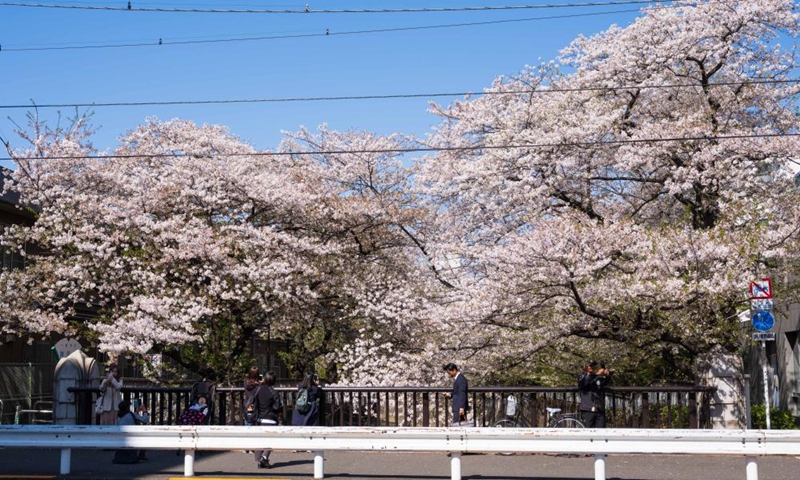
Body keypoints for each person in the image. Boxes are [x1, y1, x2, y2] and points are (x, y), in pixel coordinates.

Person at [253, 371, 282, 469]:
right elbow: (277, 407)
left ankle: (259, 457)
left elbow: (253, 403)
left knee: (260, 439)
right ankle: (264, 458)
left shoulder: (258, 390)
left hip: (260, 418)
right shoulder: (274, 392)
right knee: (271, 440)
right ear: (274, 381)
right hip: (271, 419)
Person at [112, 400, 149, 464]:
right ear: (127, 408)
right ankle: (141, 455)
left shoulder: (119, 416)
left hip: (121, 438)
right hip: (132, 438)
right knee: (144, 436)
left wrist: (137, 412)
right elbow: (145, 420)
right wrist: (145, 411)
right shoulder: (130, 415)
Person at [578, 360, 612, 428]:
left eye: (593, 366)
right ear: (585, 366)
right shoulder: (582, 376)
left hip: (599, 408)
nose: (591, 367)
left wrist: (607, 376)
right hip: (588, 408)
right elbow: (584, 383)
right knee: (588, 430)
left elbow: (607, 383)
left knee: (601, 431)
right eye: (590, 365)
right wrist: (597, 374)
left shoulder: (597, 378)